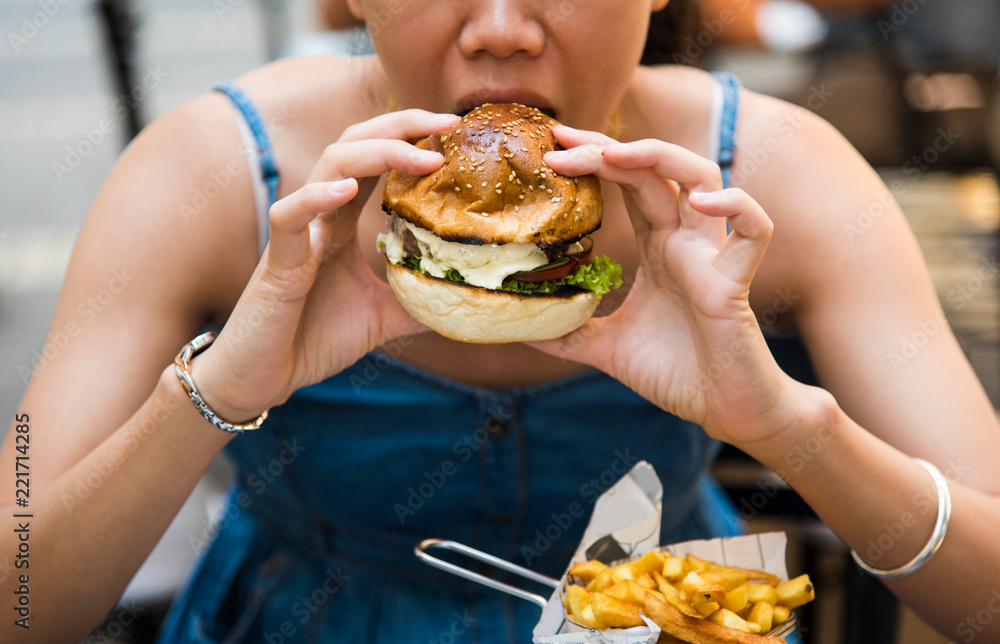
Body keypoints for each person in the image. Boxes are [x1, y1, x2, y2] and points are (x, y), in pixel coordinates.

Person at [3, 1, 999, 642]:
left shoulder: (780, 170)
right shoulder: (211, 174)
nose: (501, 30)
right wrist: (217, 390)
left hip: (665, 616)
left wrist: (791, 426)